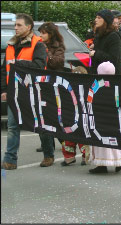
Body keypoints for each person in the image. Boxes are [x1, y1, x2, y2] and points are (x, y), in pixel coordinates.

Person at [1, 13, 47, 170]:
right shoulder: (10, 45)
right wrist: (4, 89)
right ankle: (10, 159)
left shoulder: (38, 44)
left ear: (29, 27)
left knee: (40, 124)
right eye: (15, 25)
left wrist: (20, 63)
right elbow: (3, 70)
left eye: (19, 25)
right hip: (14, 91)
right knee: (13, 126)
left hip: (33, 91)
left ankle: (48, 154)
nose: (15, 28)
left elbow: (40, 66)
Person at [89, 61, 121, 174]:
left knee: (105, 141)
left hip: (103, 119)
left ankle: (105, 163)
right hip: (112, 119)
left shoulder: (97, 85)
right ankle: (111, 162)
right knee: (113, 140)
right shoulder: (117, 84)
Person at [37, 22, 66, 167]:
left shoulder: (58, 46)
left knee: (52, 119)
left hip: (53, 87)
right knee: (42, 120)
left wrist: (45, 52)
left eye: (43, 32)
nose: (40, 35)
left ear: (51, 34)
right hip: (39, 85)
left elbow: (57, 62)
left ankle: (66, 145)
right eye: (40, 32)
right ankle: (49, 153)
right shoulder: (37, 45)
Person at [60, 66, 90, 166]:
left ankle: (85, 156)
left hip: (82, 118)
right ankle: (69, 157)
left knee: (82, 139)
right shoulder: (69, 88)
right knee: (68, 138)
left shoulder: (87, 88)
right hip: (70, 117)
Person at [89, 9, 121, 75]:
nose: (96, 20)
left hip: (112, 77)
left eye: (99, 18)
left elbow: (114, 58)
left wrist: (95, 53)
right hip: (99, 75)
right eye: (96, 17)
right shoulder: (98, 35)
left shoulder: (114, 36)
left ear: (106, 21)